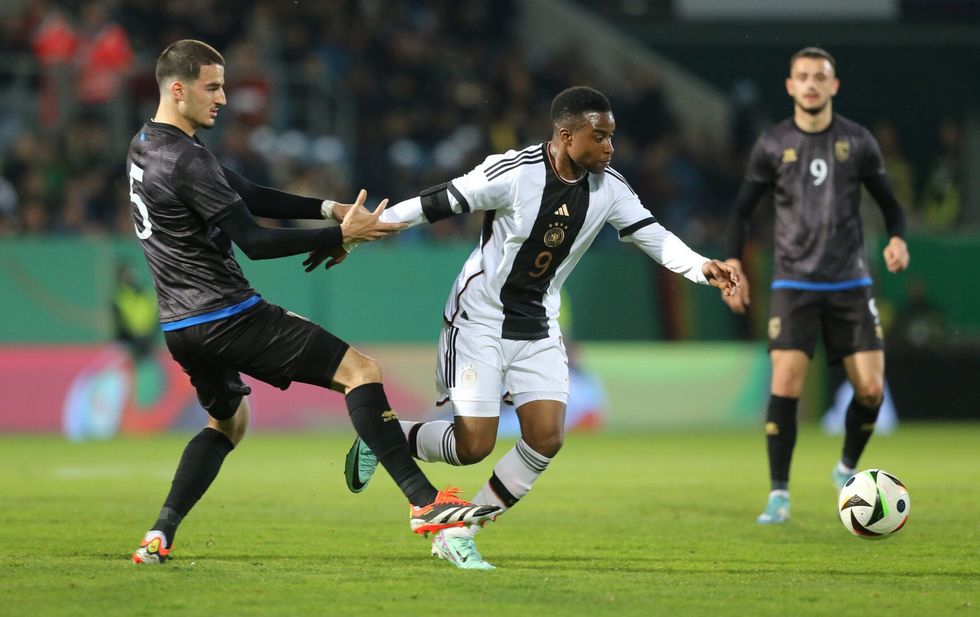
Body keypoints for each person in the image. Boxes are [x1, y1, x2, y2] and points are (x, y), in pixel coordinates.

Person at [326, 86, 740, 569]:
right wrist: (357, 233)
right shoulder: (513, 172)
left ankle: (459, 530)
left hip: (538, 325)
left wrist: (701, 267)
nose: (610, 147)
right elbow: (434, 203)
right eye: (599, 137)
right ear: (565, 136)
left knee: (546, 438)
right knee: (473, 446)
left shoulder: (610, 188)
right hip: (479, 319)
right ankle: (382, 437)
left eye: (611, 137)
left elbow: (653, 235)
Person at [126, 40, 499, 564]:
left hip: (180, 328)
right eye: (212, 87)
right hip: (227, 314)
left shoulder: (147, 145)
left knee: (228, 424)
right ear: (178, 89)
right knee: (361, 372)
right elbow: (254, 241)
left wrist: (330, 209)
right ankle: (423, 502)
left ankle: (159, 534)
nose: (224, 98)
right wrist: (341, 235)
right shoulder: (187, 159)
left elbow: (247, 192)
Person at [722, 47, 910, 524]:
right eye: (802, 76)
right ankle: (778, 495)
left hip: (851, 282)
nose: (810, 84)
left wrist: (897, 239)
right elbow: (741, 213)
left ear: (833, 85)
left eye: (819, 77)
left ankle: (846, 467)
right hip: (794, 282)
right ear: (790, 86)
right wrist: (734, 261)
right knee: (786, 382)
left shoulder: (858, 141)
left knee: (871, 390)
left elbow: (890, 205)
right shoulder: (772, 144)